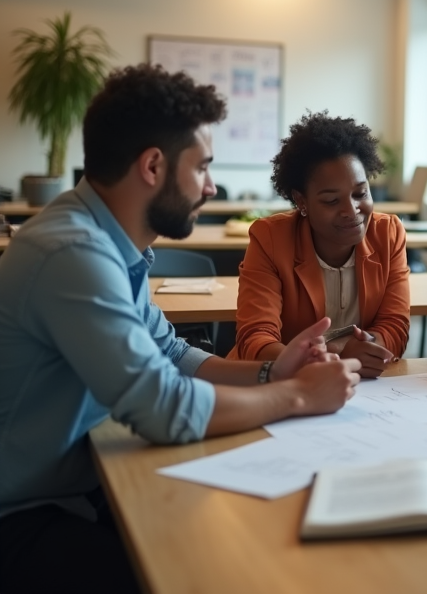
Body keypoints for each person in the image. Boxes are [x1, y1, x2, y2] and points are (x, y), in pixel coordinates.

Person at [0, 66, 361, 594]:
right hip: (21, 510)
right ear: (152, 166)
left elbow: (169, 352)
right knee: (210, 569)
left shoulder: (105, 241)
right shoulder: (73, 253)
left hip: (73, 480)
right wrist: (297, 396)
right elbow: (163, 409)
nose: (212, 187)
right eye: (203, 168)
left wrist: (268, 372)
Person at [229, 112, 410, 377]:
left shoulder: (388, 233)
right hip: (281, 384)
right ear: (302, 202)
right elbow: (256, 338)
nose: (351, 210)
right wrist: (330, 358)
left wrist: (369, 348)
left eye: (360, 193)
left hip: (364, 386)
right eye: (331, 201)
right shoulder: (270, 238)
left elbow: (394, 326)